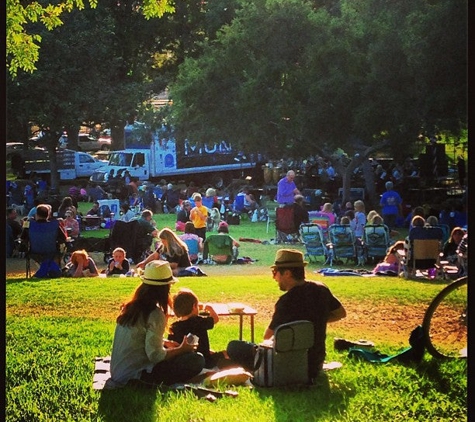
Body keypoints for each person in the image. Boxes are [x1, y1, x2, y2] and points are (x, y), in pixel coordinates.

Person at [226, 249, 346, 382]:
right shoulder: (321, 289)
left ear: (287, 273)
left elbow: (267, 337)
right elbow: (340, 313)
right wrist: (319, 320)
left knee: (234, 346)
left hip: (284, 365)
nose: (274, 277)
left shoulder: (286, 302)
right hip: (314, 365)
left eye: (275, 272)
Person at [105, 260, 205, 388]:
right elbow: (155, 356)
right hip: (136, 376)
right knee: (196, 359)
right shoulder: (155, 314)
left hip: (119, 372)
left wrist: (165, 343)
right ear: (165, 289)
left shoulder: (130, 308)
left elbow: (140, 337)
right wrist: (181, 350)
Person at [168, 288, 229, 369]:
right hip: (204, 360)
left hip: (184, 361)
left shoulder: (173, 326)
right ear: (194, 307)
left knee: (211, 351)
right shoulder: (198, 321)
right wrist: (210, 309)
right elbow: (215, 319)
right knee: (225, 353)